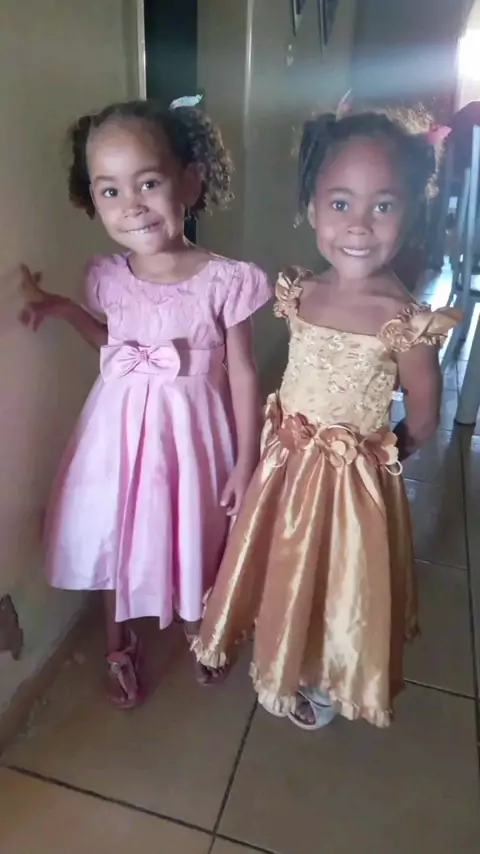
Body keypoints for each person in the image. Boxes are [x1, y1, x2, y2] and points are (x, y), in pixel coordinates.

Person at [193, 109, 461, 729]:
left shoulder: (406, 322)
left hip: (350, 488)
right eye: (341, 204)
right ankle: (279, 642)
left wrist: (370, 460)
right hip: (286, 466)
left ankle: (323, 671)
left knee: (337, 578)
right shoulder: (300, 292)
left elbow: (424, 418)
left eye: (383, 206)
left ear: (409, 214)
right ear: (311, 210)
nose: (359, 225)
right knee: (283, 561)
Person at [20, 99, 272, 709]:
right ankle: (117, 641)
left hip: (192, 434)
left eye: (149, 183)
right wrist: (65, 309)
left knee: (195, 526)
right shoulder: (107, 276)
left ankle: (200, 624)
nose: (131, 205)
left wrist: (246, 460)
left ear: (191, 181)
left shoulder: (225, 280)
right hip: (117, 434)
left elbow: (242, 372)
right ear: (92, 198)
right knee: (119, 531)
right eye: (110, 190)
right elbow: (116, 350)